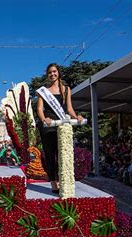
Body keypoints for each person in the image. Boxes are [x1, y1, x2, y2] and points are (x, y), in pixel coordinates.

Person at [36, 63, 83, 194]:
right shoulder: (42, 92)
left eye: (54, 72)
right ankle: (53, 183)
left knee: (63, 153)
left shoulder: (66, 89)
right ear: (47, 75)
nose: (52, 74)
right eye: (50, 72)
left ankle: (64, 181)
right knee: (51, 155)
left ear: (58, 73)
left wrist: (76, 116)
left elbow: (69, 108)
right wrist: (44, 119)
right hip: (49, 125)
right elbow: (40, 109)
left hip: (62, 125)